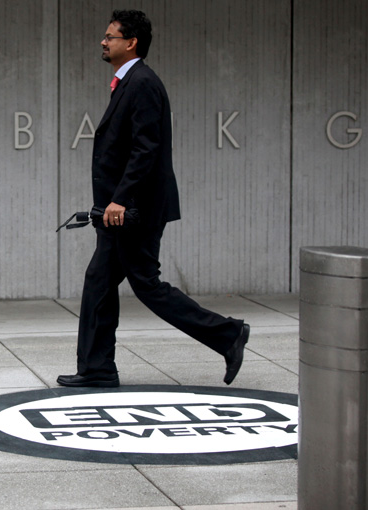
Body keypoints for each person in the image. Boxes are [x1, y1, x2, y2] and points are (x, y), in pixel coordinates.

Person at [57, 9, 250, 388]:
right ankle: (96, 368)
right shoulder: (130, 83)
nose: (103, 41)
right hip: (120, 210)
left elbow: (146, 148)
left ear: (130, 43)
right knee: (98, 282)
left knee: (146, 284)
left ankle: (228, 334)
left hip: (134, 211)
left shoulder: (142, 83)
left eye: (110, 36)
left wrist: (121, 200)